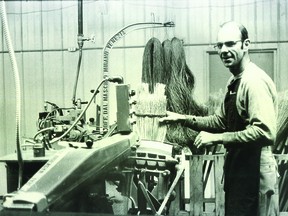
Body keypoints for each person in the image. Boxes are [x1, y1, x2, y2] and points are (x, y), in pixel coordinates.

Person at [160, 21, 279, 216]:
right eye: (220, 45)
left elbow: (265, 132)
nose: (224, 50)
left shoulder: (253, 81)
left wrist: (217, 138)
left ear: (246, 44)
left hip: (255, 171)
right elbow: (220, 121)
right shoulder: (234, 81)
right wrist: (181, 118)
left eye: (230, 43)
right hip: (239, 169)